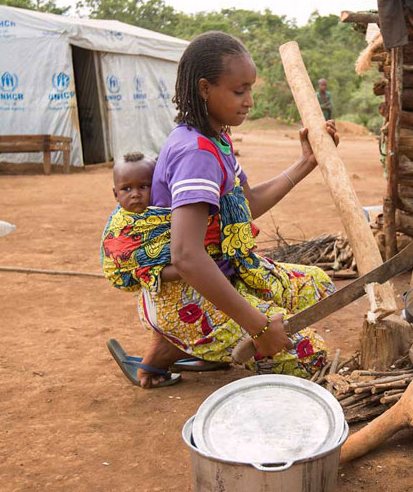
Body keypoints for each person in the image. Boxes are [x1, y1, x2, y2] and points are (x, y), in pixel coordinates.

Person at [104, 31, 341, 388]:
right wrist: (259, 327)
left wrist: (306, 162)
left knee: (319, 287)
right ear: (204, 89)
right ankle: (177, 336)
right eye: (238, 90)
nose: (248, 100)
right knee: (311, 358)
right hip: (184, 293)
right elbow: (185, 257)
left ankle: (191, 343)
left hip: (223, 273)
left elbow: (248, 205)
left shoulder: (217, 139)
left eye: (250, 89)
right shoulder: (195, 153)